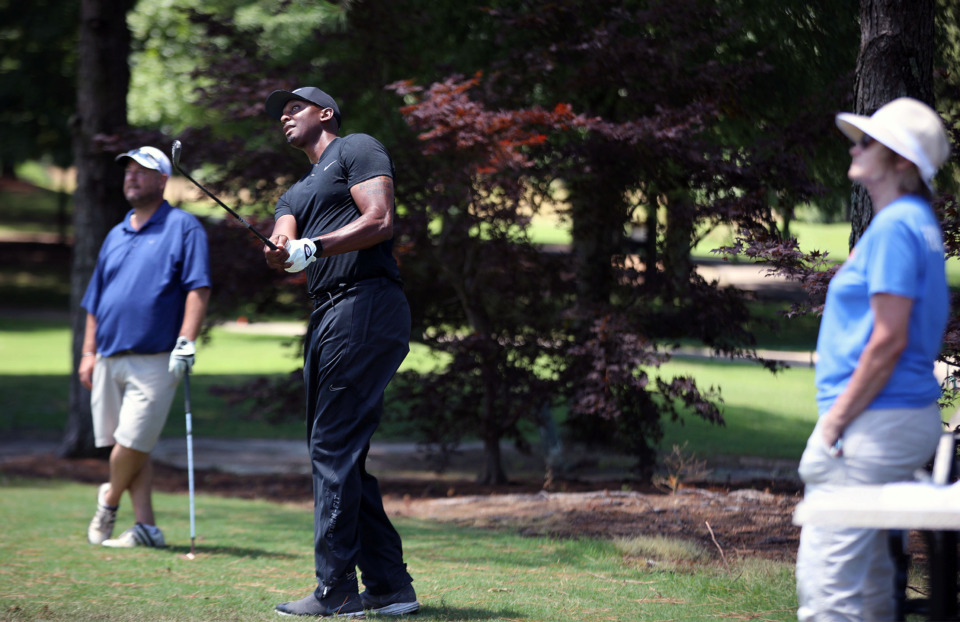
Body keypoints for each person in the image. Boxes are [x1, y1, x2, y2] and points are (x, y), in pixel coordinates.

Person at [262, 87, 420, 618]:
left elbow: (379, 220)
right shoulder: (296, 191)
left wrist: (316, 247)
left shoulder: (356, 148)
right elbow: (284, 236)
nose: (284, 115)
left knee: (331, 447)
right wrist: (282, 248)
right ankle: (389, 585)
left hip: (368, 302)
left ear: (326, 112)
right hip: (328, 313)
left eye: (294, 107)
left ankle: (336, 589)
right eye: (280, 112)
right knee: (336, 452)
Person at [795, 97, 952, 621]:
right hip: (895, 419)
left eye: (869, 142)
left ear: (901, 162)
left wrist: (832, 426)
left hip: (873, 423)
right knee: (870, 585)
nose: (856, 147)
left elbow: (887, 340)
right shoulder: (916, 223)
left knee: (830, 590)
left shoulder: (895, 227)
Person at [81, 146, 211, 549]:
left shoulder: (183, 227)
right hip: (108, 355)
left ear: (162, 180)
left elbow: (198, 288)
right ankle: (147, 529)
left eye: (142, 171)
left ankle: (108, 500)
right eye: (128, 172)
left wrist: (186, 341)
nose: (132, 178)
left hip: (156, 357)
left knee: (132, 442)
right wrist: (88, 352)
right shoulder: (115, 234)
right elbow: (95, 300)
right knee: (129, 448)